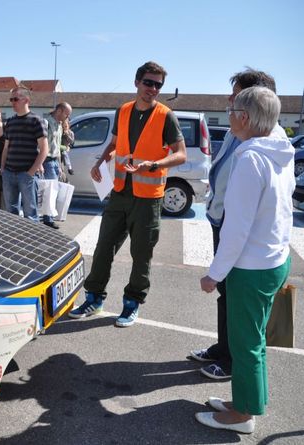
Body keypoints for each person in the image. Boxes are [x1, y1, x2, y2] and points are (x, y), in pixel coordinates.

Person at [196, 86, 294, 434]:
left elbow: (236, 228)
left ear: (246, 118)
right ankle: (249, 401)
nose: (229, 113)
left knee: (245, 344)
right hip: (273, 261)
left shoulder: (251, 158)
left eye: (233, 109)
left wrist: (213, 274)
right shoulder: (278, 149)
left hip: (251, 268)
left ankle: (241, 416)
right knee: (254, 341)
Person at [68, 61, 186, 327]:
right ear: (136, 82)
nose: (153, 89)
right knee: (103, 249)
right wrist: (100, 163)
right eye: (148, 83)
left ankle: (131, 305)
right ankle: (94, 299)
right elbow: (114, 143)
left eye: (158, 85)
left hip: (148, 198)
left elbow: (181, 154)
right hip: (120, 193)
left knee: (141, 255)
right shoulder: (123, 111)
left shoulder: (166, 116)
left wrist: (155, 164)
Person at [0, 86, 49, 222]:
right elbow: (6, 148)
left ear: (26, 100)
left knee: (30, 214)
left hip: (26, 175)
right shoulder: (10, 122)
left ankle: (32, 242)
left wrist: (31, 172)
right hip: (9, 173)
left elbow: (44, 149)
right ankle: (14, 241)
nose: (12, 102)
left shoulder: (36, 121)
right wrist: (3, 169)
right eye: (11, 99)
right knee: (11, 212)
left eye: (15, 99)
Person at [41, 102, 72, 228]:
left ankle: (48, 216)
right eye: (66, 114)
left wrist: (60, 167)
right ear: (59, 111)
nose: (67, 117)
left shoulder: (59, 125)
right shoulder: (45, 122)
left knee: (53, 190)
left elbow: (58, 147)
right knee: (50, 191)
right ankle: (48, 219)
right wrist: (40, 163)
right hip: (46, 160)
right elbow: (41, 144)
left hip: (54, 161)